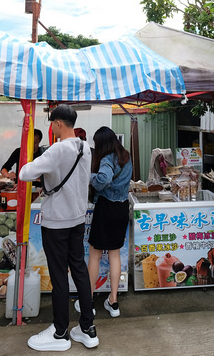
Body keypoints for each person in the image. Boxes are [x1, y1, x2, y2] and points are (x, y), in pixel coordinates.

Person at [18, 105, 98, 351]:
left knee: (58, 275)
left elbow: (24, 173)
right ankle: (88, 328)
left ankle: (61, 332)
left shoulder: (56, 149)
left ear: (59, 124)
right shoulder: (85, 148)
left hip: (56, 222)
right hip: (77, 218)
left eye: (52, 124)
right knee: (79, 270)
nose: (51, 127)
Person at [87, 126, 132, 318]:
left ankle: (87, 301)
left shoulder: (106, 159)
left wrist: (88, 177)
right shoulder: (126, 156)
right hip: (122, 208)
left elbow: (103, 179)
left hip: (106, 208)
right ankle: (113, 301)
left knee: (95, 255)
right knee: (114, 255)